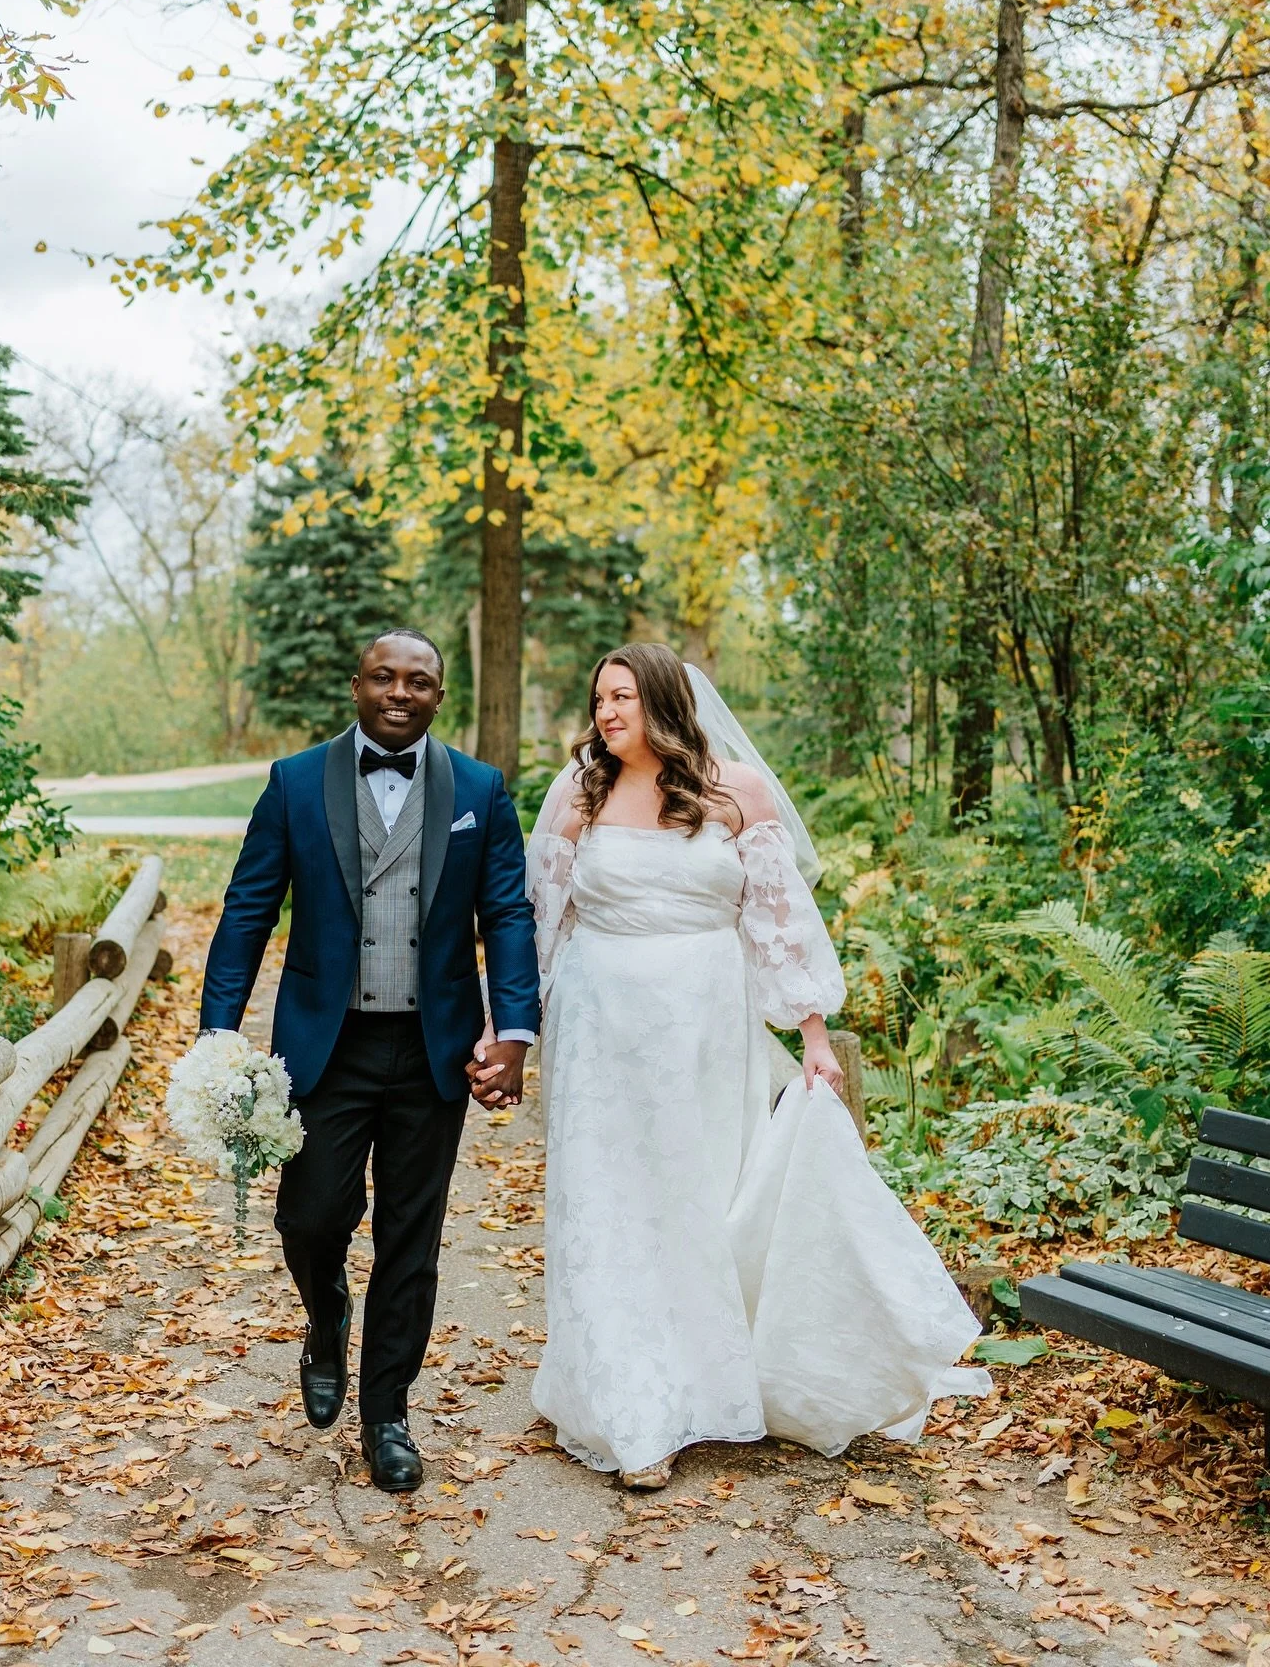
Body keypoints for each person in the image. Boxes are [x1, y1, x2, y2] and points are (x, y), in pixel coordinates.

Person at [473, 642, 989, 1489]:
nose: (606, 712)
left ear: (664, 701)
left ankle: (712, 1379)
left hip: (706, 1024)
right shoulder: (580, 792)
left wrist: (813, 1035)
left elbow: (779, 922)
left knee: (700, 1201)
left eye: (623, 697)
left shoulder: (736, 792)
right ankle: (633, 1410)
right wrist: (508, 1030)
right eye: (599, 699)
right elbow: (538, 923)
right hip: (601, 1028)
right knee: (609, 1204)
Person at [198, 628, 540, 1492]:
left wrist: (514, 1031)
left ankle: (388, 1413)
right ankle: (326, 1321)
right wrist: (218, 1035)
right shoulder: (294, 782)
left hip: (434, 1048)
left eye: (417, 681)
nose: (399, 692)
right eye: (383, 677)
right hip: (328, 1044)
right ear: (356, 686)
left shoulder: (481, 790)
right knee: (310, 1219)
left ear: (438, 696)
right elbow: (247, 911)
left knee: (409, 1241)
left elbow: (507, 914)